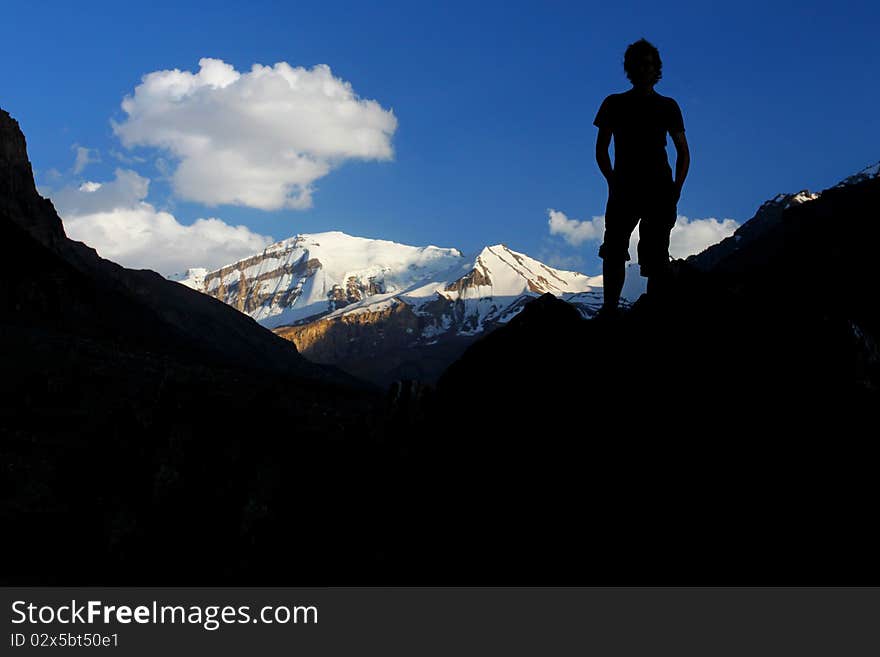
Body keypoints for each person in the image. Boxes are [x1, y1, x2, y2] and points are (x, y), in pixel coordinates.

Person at [594, 38, 690, 317]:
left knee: (648, 253)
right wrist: (612, 181)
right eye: (640, 65)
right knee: (617, 249)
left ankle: (631, 312)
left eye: (648, 65)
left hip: (651, 188)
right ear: (631, 69)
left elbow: (683, 152)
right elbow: (600, 150)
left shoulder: (661, 106)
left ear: (655, 69)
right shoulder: (616, 103)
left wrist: (676, 189)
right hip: (637, 187)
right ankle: (613, 310)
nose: (645, 70)